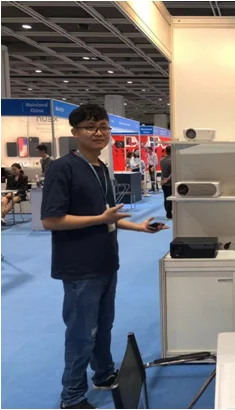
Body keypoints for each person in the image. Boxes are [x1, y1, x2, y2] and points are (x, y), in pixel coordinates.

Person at [41, 104, 168, 409]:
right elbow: (51, 220)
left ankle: (103, 373)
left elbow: (108, 216)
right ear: (75, 132)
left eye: (103, 127)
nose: (98, 133)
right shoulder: (62, 168)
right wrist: (100, 219)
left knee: (104, 326)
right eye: (90, 127)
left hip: (106, 261)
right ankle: (72, 396)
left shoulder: (101, 167)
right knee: (82, 333)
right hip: (79, 265)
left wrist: (138, 227)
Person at [160, 145, 172, 219]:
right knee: (170, 199)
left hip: (163, 182)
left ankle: (168, 213)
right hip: (169, 183)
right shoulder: (172, 161)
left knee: (166, 198)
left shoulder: (162, 160)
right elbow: (173, 172)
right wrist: (168, 179)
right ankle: (169, 214)